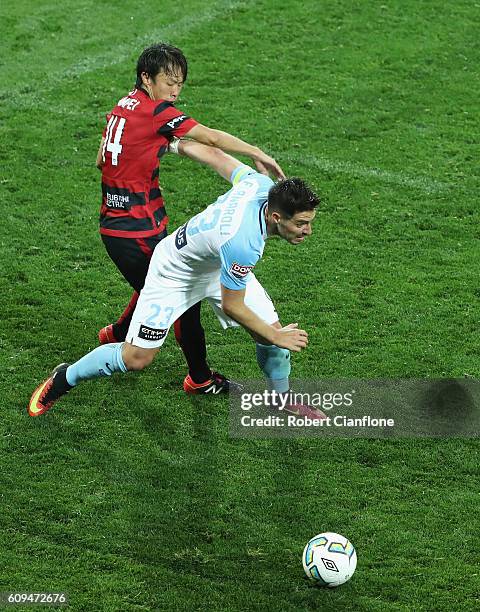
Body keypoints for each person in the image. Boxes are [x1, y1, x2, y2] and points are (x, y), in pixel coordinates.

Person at [28, 159, 321, 418]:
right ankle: (65, 377)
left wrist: (180, 144)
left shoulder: (260, 184)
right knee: (136, 358)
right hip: (174, 273)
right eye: (301, 224)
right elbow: (234, 306)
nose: (308, 231)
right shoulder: (243, 243)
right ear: (276, 217)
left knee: (271, 334)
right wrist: (275, 335)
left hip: (216, 265)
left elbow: (217, 157)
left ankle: (280, 398)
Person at [96, 42, 285, 395]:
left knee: (159, 278)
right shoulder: (156, 113)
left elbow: (100, 160)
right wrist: (257, 152)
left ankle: (119, 332)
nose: (175, 91)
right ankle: (199, 379)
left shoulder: (123, 106)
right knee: (183, 303)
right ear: (146, 78)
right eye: (169, 83)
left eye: (180, 84)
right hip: (134, 230)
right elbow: (211, 138)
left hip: (126, 222)